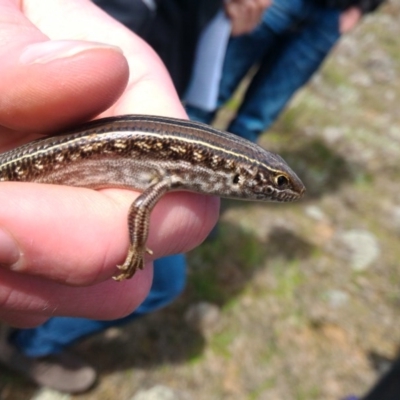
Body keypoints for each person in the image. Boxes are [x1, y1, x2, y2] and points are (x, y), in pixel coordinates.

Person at [0, 0, 218, 393]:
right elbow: (140, 204)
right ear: (238, 175)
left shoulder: (180, 168)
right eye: (274, 183)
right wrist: (136, 248)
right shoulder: (176, 171)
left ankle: (28, 346)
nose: (277, 192)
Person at [185, 0, 385, 143]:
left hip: (332, 15)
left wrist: (359, 9)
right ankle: (176, 170)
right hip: (275, 4)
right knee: (207, 97)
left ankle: (222, 191)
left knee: (254, 120)